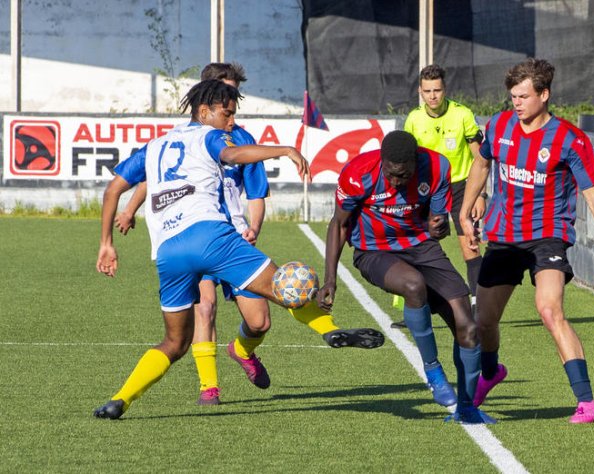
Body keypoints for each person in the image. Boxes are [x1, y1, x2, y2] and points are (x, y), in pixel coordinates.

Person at [94, 80, 384, 419]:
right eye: (227, 114)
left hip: (169, 252)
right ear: (205, 112)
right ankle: (329, 330)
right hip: (212, 237)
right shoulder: (208, 135)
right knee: (284, 287)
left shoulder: (155, 145)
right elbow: (232, 155)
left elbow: (113, 189)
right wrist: (284, 150)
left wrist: (106, 244)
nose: (231, 122)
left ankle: (120, 400)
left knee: (174, 343)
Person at [458, 58, 594, 424]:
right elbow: (481, 163)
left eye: (524, 96)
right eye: (513, 96)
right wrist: (465, 211)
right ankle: (491, 372)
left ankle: (587, 402)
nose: (517, 103)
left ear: (544, 94)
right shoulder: (499, 125)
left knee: (549, 308)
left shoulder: (569, 139)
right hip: (505, 237)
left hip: (547, 237)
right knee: (485, 321)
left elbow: (593, 197)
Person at [316, 130, 495, 424]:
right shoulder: (358, 172)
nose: (397, 181)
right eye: (391, 174)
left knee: (468, 327)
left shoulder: (436, 166)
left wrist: (438, 226)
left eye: (404, 175)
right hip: (373, 251)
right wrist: (331, 280)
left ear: (415, 162)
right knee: (413, 285)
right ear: (382, 162)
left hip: (422, 247)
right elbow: (339, 225)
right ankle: (433, 369)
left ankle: (467, 407)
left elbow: (437, 221)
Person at [403, 64, 487, 313]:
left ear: (445, 89)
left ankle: (478, 306)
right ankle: (416, 306)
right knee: (416, 246)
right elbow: (409, 161)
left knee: (470, 244)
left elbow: (481, 159)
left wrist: (480, 195)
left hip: (462, 187)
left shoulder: (462, 115)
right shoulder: (414, 119)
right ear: (420, 90)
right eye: (427, 91)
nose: (432, 96)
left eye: (437, 90)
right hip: (426, 190)